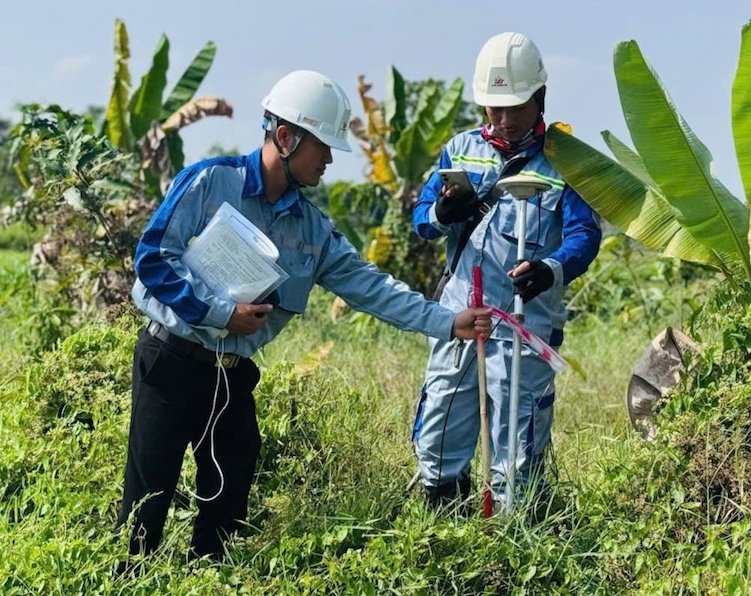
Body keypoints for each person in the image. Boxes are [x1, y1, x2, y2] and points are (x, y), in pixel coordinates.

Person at [116, 69, 492, 563]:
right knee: (146, 505)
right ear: (287, 137)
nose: (331, 160)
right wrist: (220, 313)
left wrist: (448, 321)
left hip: (229, 377)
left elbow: (372, 288)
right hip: (169, 360)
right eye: (324, 146)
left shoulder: (313, 230)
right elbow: (151, 259)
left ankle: (208, 575)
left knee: (228, 502)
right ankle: (126, 575)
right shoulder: (210, 182)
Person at [411, 33, 601, 509]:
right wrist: (441, 216)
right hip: (458, 319)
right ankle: (442, 520)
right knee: (440, 425)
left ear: (540, 97)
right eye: (493, 107)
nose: (504, 118)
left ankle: (514, 533)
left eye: (515, 106)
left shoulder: (567, 160)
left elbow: (584, 235)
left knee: (517, 442)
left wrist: (550, 269)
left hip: (524, 325)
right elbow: (421, 218)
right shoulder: (459, 149)